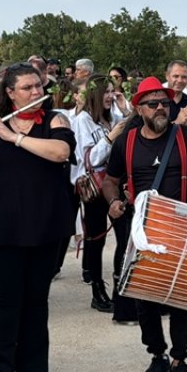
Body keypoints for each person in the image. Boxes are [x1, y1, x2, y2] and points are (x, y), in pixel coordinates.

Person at [102, 77, 187, 372]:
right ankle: (156, 354)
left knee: (181, 297)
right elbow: (110, 180)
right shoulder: (126, 142)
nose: (161, 108)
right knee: (145, 296)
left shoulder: (183, 136)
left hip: (181, 228)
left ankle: (179, 361)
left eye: (165, 103)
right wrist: (114, 202)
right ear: (139, 108)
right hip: (143, 230)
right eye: (153, 103)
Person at [0, 63, 75, 372]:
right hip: (4, 224)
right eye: (27, 88)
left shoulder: (55, 120)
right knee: (8, 302)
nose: (36, 93)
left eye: (38, 86)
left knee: (36, 300)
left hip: (46, 222)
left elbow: (61, 153)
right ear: (10, 93)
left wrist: (14, 137)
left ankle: (32, 366)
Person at [70, 77, 128, 314]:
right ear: (95, 94)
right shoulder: (83, 120)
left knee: (124, 235)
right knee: (96, 239)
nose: (110, 96)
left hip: (113, 183)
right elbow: (90, 159)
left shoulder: (112, 116)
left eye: (113, 92)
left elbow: (130, 131)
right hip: (94, 187)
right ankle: (97, 290)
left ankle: (119, 286)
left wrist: (125, 109)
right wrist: (110, 137)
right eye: (106, 92)